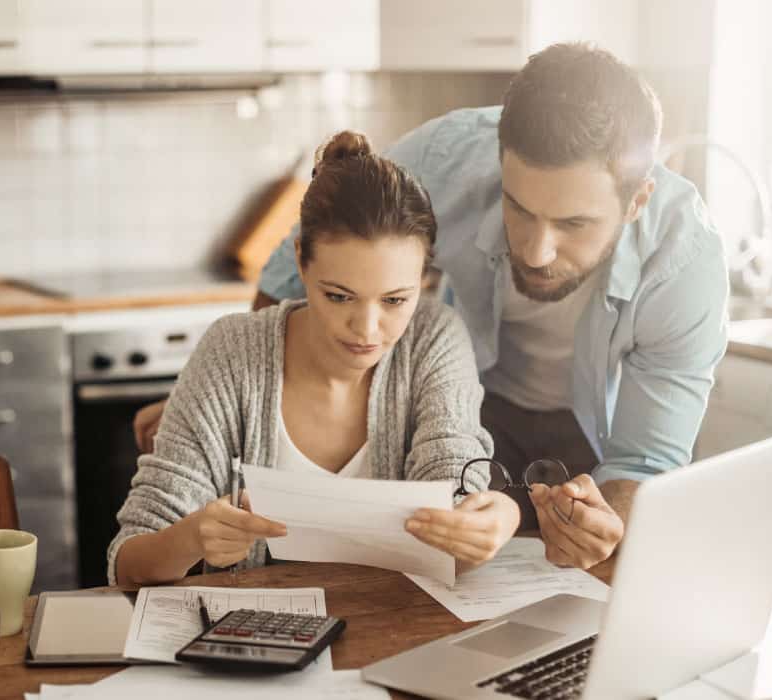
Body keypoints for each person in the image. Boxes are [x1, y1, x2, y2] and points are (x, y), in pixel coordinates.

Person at [134, 43, 729, 571]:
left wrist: (608, 525)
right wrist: (224, 391)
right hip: (463, 401)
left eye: (573, 223)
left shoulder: (685, 264)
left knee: (565, 581)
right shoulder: (444, 158)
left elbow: (645, 459)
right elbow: (301, 265)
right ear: (499, 163)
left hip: (586, 440)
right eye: (519, 208)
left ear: (636, 201)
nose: (536, 249)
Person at [109, 131, 521, 586]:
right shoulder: (232, 351)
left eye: (394, 300)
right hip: (255, 642)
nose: (366, 329)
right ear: (302, 263)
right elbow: (128, 566)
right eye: (339, 296)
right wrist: (189, 540)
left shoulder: (433, 339)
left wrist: (490, 521)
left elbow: (453, 499)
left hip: (392, 633)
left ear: (423, 278)